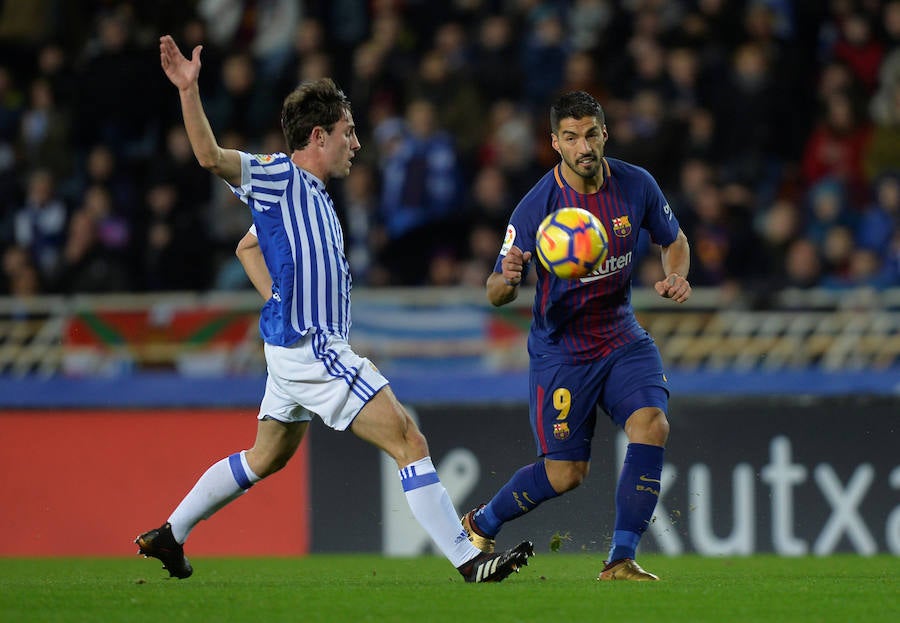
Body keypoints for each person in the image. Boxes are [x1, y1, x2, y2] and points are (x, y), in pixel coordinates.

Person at [135, 34, 533, 583]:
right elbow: (209, 156)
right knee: (409, 440)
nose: (357, 144)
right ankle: (470, 560)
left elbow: (247, 247)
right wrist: (188, 89)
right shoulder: (279, 177)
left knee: (264, 457)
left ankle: (170, 534)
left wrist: (276, 298)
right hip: (313, 347)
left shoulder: (312, 197)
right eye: (349, 132)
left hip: (287, 350)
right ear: (318, 136)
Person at [461, 91, 692, 581]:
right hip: (562, 352)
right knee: (567, 474)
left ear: (604, 133)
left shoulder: (637, 185)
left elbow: (675, 240)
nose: (583, 145)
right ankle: (481, 522)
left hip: (622, 338)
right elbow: (495, 293)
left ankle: (621, 559)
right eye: (571, 137)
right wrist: (509, 274)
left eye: (590, 134)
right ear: (554, 143)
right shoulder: (535, 208)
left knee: (652, 425)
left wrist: (677, 274)